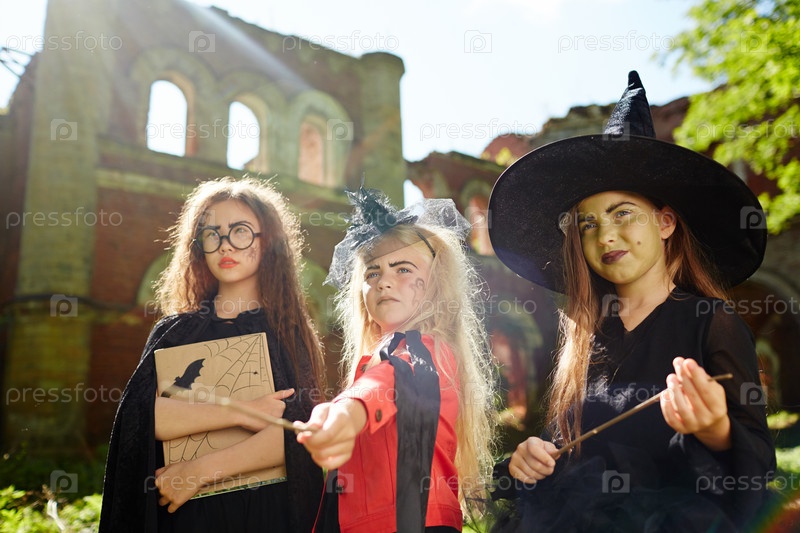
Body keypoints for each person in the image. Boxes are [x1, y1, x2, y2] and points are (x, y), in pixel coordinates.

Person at [487, 71, 776, 531]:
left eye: (623, 214)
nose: (606, 236)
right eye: (588, 224)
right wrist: (533, 455)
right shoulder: (583, 337)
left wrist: (716, 430)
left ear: (665, 223)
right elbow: (567, 444)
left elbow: (758, 465)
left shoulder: (711, 323)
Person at [99, 177, 326, 532]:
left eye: (240, 231)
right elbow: (144, 419)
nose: (225, 245)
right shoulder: (175, 332)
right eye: (212, 234)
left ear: (268, 241)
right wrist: (243, 412)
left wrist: (197, 472)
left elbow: (300, 434)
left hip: (264, 514)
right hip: (186, 516)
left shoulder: (288, 333)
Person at [296, 188, 497, 533]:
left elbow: (393, 378)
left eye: (402, 269)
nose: (384, 282)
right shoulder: (370, 361)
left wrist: (344, 412)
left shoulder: (427, 350)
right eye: (372, 273)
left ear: (436, 284)